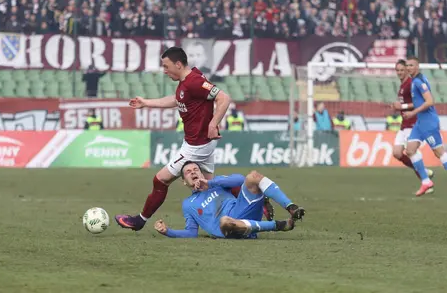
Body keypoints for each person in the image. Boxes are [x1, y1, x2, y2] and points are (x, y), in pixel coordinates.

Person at [115, 47, 232, 231]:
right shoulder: (187, 82)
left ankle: (139, 220)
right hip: (199, 142)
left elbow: (224, 98)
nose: (164, 70)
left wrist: (213, 123)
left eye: (166, 66)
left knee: (160, 180)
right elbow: (177, 99)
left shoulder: (194, 81)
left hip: (196, 146)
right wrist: (146, 103)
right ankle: (247, 200)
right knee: (209, 186)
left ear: (178, 64)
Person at [153, 162, 305, 239]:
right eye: (188, 172)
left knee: (253, 176)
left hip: (243, 210)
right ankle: (279, 225)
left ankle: (290, 206)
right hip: (226, 228)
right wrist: (168, 232)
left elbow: (240, 179)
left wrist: (210, 183)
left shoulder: (216, 183)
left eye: (196, 170)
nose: (193, 172)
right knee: (225, 220)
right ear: (184, 182)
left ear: (202, 174)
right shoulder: (188, 204)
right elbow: (191, 232)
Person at [402, 57, 447, 198]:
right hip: (420, 122)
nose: (408, 68)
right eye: (407, 65)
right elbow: (419, 102)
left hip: (429, 123)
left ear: (417, 66)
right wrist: (405, 107)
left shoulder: (418, 81)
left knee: (439, 153)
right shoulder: (415, 81)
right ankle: (426, 181)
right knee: (410, 150)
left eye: (411, 65)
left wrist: (412, 112)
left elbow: (430, 101)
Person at [391, 60, 434, 188]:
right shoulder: (402, 86)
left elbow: (421, 103)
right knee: (397, 153)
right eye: (397, 70)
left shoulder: (411, 84)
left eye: (402, 70)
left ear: (407, 70)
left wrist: (402, 106)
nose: (399, 72)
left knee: (412, 152)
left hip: (413, 123)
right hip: (404, 124)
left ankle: (425, 181)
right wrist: (397, 106)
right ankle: (424, 172)